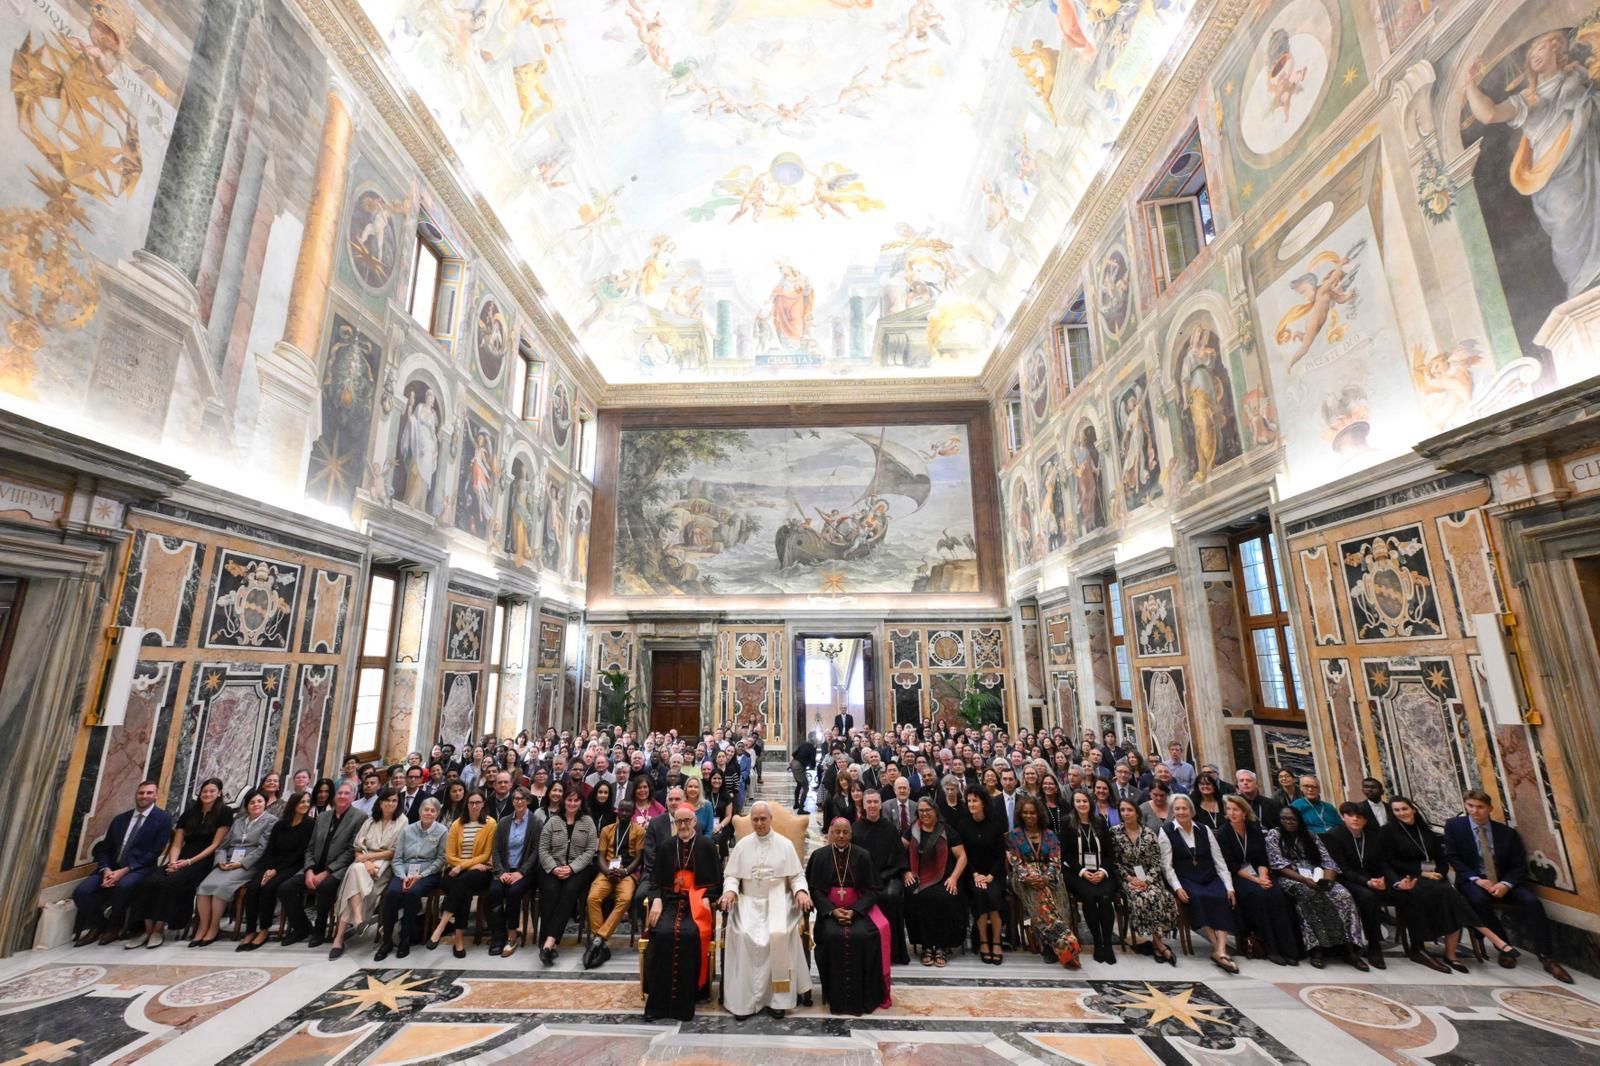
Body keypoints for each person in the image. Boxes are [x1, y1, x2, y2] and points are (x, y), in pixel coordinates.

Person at [1443, 789, 1570, 983]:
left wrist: (1505, 884)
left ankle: (1547, 956)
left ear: (1490, 809)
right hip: (1473, 880)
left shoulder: (1506, 833)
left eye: (1480, 807)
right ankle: (1504, 947)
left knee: (1532, 902)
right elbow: (1453, 857)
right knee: (1478, 900)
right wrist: (1477, 879)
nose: (1474, 811)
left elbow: (1519, 865)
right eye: (1470, 806)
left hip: (1503, 880)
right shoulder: (1454, 827)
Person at [1388, 795, 1525, 975]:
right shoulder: (1387, 832)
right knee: (1451, 896)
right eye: (1396, 810)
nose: (1401, 813)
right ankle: (1491, 940)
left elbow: (1443, 858)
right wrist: (1420, 872)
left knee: (1450, 897)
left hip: (1434, 879)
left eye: (1404, 809)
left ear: (1413, 809)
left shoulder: (1426, 831)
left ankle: (1452, 954)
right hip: (1409, 878)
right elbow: (1389, 861)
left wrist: (1441, 874)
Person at [719, 801, 814, 1019]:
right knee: (743, 934)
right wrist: (731, 891)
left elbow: (797, 876)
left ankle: (777, 1000)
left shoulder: (785, 845)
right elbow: (731, 875)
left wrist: (800, 891)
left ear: (771, 819)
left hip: (779, 901)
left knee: (778, 934)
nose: (759, 823)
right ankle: (744, 1002)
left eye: (763, 819)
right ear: (751, 821)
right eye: (755, 819)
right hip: (749, 902)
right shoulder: (742, 845)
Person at [125, 777, 232, 950]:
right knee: (149, 881)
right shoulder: (190, 813)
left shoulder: (224, 813)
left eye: (212, 791)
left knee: (170, 883)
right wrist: (173, 861)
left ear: (219, 793)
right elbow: (176, 842)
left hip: (203, 860)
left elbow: (215, 845)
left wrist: (188, 862)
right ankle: (147, 930)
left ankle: (159, 929)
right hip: (181, 856)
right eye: (205, 791)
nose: (208, 794)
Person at [642, 804, 720, 1022]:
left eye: (687, 821)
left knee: (689, 935)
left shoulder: (706, 845)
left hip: (695, 904)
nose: (683, 825)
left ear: (695, 822)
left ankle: (689, 998)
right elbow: (656, 880)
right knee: (662, 934)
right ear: (675, 824)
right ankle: (659, 1003)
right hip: (670, 902)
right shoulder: (667, 846)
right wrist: (656, 899)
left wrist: (708, 897)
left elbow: (717, 883)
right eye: (679, 822)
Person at [1265, 805, 1368, 970]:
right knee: (1309, 895)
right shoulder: (1274, 835)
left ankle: (1350, 948)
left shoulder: (1310, 836)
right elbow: (1278, 864)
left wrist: (1327, 882)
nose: (1288, 822)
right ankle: (1317, 948)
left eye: (1292, 819)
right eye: (1284, 818)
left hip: (1317, 876)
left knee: (1343, 895)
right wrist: (1305, 881)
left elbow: (1328, 861)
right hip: (1291, 876)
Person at [806, 817, 890, 1016]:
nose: (841, 836)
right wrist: (831, 910)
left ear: (851, 834)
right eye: (837, 832)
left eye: (845, 832)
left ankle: (864, 995)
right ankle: (834, 995)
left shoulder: (863, 856)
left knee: (865, 936)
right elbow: (815, 889)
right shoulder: (819, 856)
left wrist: (855, 910)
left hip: (859, 911)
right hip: (829, 912)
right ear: (830, 833)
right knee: (832, 936)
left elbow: (873, 889)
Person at [73, 780, 172, 946]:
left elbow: (154, 852)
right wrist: (106, 869)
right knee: (81, 892)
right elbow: (105, 848)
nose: (144, 796)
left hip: (140, 868)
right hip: (111, 867)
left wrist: (125, 870)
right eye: (141, 793)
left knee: (124, 886)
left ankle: (114, 927)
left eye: (149, 793)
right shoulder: (120, 819)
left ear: (156, 796)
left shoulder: (163, 819)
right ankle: (99, 925)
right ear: (136, 795)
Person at [278, 782, 366, 948]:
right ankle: (301, 927)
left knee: (325, 887)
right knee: (285, 888)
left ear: (353, 797)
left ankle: (319, 930)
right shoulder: (323, 817)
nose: (342, 796)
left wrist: (326, 872)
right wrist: (310, 870)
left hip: (338, 870)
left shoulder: (360, 817)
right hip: (315, 867)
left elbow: (350, 851)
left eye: (347, 793)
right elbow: (310, 847)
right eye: (340, 793)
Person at [1216, 794, 1299, 966]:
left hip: (1260, 873)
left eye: (1236, 810)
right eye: (1229, 810)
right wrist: (1256, 881)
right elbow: (1232, 865)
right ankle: (1271, 948)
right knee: (1259, 896)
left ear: (1244, 812)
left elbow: (1262, 858)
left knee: (1277, 895)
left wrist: (1263, 876)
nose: (1232, 813)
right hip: (1240, 876)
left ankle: (1289, 949)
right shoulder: (1224, 832)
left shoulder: (1254, 829)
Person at [1159, 794, 1237, 974]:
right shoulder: (1166, 831)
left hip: (1208, 875)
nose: (1181, 812)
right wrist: (1177, 887)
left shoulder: (1204, 829)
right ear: (1172, 811)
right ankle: (1218, 948)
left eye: (1184, 808)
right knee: (1199, 897)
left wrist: (1229, 886)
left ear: (1191, 810)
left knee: (1221, 896)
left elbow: (1219, 860)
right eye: (1177, 809)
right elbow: (1167, 866)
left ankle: (1221, 950)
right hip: (1186, 878)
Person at [191, 789, 275, 947]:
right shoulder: (238, 821)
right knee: (204, 887)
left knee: (220, 888)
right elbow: (223, 845)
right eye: (252, 802)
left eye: (259, 801)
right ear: (247, 805)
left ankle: (214, 927)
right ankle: (203, 927)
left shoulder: (271, 821)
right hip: (228, 861)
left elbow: (262, 848)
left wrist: (241, 863)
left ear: (265, 804)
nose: (256, 805)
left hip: (249, 864)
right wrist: (221, 861)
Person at [327, 787, 404, 959]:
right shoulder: (370, 821)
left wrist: (370, 857)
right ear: (381, 802)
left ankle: (339, 938)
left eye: (394, 801)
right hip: (364, 862)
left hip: (384, 865)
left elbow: (395, 851)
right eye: (387, 800)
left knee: (354, 875)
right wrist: (367, 861)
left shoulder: (402, 821)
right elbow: (357, 848)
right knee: (355, 870)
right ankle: (358, 919)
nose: (391, 804)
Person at [1008, 795, 1080, 968]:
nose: (1029, 816)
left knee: (1048, 895)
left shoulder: (1049, 835)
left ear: (1039, 814)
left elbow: (1056, 861)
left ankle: (1049, 943)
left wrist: (1045, 877)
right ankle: (1065, 945)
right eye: (1025, 813)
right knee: (1041, 896)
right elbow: (1016, 863)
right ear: (1020, 814)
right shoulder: (1015, 835)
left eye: (1032, 813)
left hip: (1050, 877)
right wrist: (1030, 877)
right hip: (1024, 879)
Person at [237, 791, 312, 951]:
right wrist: (270, 867)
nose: (305, 804)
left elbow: (299, 853)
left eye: (307, 802)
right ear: (294, 804)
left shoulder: (309, 824)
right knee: (253, 888)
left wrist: (276, 871)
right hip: (271, 864)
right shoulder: (280, 824)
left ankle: (264, 930)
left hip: (291, 866)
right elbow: (270, 848)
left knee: (270, 888)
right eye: (301, 801)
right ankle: (250, 931)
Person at [376, 796, 448, 961]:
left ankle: (405, 939)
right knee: (392, 893)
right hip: (404, 871)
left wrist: (420, 875)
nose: (428, 813)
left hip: (427, 873)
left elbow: (440, 860)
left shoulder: (442, 831)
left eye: (432, 811)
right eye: (426, 809)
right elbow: (397, 858)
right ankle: (386, 941)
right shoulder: (408, 830)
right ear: (420, 811)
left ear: (437, 814)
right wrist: (403, 876)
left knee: (412, 894)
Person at [428, 790, 495, 958]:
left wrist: (463, 866)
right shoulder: (457, 824)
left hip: (480, 872)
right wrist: (463, 866)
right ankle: (458, 937)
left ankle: (442, 925)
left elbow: (486, 855)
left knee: (463, 882)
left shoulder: (490, 823)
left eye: (478, 802)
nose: (474, 806)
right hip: (458, 871)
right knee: (462, 888)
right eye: (471, 802)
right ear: (466, 804)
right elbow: (449, 855)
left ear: (483, 804)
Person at [1323, 802, 1390, 969]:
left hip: (1371, 878)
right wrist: (1368, 882)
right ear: (1343, 817)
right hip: (1345, 879)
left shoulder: (1373, 836)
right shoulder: (1334, 836)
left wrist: (1383, 880)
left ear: (1365, 820)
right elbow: (1343, 868)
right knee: (1369, 897)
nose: (1355, 819)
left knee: (1405, 893)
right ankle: (1374, 945)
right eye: (1350, 815)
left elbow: (1382, 863)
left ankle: (1417, 947)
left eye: (1359, 817)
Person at [537, 786, 598, 965]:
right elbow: (543, 849)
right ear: (564, 801)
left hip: (578, 869)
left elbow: (589, 851)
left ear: (581, 803)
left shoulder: (588, 822)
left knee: (568, 893)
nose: (572, 803)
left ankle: (548, 943)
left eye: (576, 800)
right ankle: (549, 943)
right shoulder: (553, 821)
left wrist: (571, 868)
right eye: (569, 800)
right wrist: (554, 868)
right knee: (550, 891)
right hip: (552, 867)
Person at [1111, 799, 1176, 964]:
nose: (1126, 813)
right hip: (1128, 878)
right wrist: (1129, 878)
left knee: (1161, 896)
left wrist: (1147, 880)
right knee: (1142, 898)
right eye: (1123, 810)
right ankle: (1159, 945)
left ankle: (1157, 941)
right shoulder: (1115, 832)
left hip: (1149, 877)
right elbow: (1114, 861)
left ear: (1137, 813)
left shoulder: (1149, 833)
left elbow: (1156, 861)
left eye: (1129, 810)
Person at [852, 789, 910, 965]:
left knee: (891, 897)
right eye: (868, 802)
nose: (872, 806)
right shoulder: (855, 829)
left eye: (875, 802)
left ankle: (892, 951)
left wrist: (883, 876)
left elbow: (898, 859)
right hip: (863, 880)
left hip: (888, 877)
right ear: (863, 805)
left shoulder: (890, 829)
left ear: (880, 804)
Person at [585, 799, 645, 968]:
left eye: (628, 811)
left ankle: (599, 939)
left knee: (625, 900)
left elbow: (639, 858)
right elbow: (601, 856)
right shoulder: (607, 830)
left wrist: (625, 872)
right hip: (607, 872)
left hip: (627, 874)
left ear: (633, 813)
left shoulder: (639, 831)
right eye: (622, 811)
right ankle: (602, 944)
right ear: (617, 811)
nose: (624, 814)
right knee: (592, 898)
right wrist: (607, 871)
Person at [1064, 788, 1117, 964]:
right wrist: (1082, 871)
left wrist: (1102, 871)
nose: (1081, 804)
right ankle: (1097, 942)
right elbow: (1065, 854)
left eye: (1084, 801)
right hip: (1077, 873)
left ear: (1090, 803)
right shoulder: (1067, 822)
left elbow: (1110, 852)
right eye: (1078, 801)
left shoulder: (1100, 822)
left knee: (1104, 897)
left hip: (1102, 871)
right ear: (1073, 804)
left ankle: (1107, 944)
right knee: (1088, 896)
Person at [486, 787, 538, 957]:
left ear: (528, 801)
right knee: (494, 891)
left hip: (524, 872)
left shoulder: (536, 823)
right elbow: (495, 850)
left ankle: (512, 935)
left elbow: (536, 852)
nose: (519, 801)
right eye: (515, 798)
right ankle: (497, 936)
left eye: (522, 798)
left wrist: (521, 872)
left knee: (514, 892)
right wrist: (501, 872)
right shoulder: (504, 822)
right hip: (504, 870)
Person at [960, 788, 1007, 965]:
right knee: (980, 895)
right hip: (972, 874)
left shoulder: (995, 825)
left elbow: (1000, 855)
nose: (971, 804)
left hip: (994, 875)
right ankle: (983, 942)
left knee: (993, 895)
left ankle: (996, 941)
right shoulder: (963, 825)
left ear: (983, 803)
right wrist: (975, 874)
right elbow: (964, 855)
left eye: (975, 800)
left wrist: (990, 876)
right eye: (969, 801)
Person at [791, 735, 816, 812]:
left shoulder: (803, 744)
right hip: (799, 766)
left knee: (799, 784)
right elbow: (813, 760)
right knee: (806, 787)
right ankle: (801, 809)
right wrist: (812, 767)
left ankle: (796, 804)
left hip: (794, 763)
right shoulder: (812, 748)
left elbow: (794, 754)